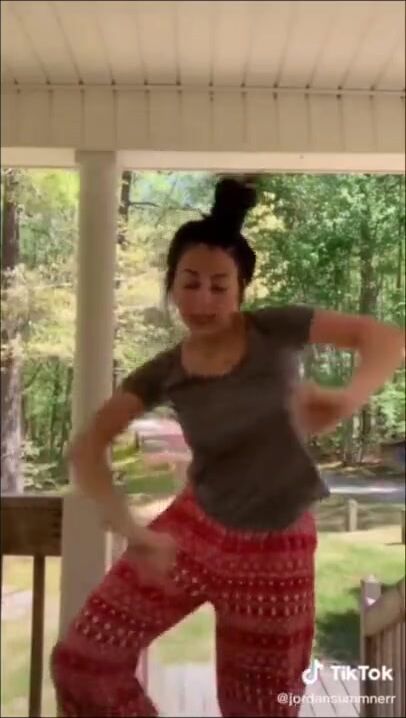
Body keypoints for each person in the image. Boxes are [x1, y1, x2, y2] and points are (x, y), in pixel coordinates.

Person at [51, 178, 404, 717]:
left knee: (258, 708)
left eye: (220, 286)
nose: (203, 300)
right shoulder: (164, 371)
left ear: (241, 290)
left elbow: (384, 338)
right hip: (192, 529)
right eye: (190, 283)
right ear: (171, 285)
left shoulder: (274, 328)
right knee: (83, 661)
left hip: (276, 546)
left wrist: (346, 399)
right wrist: (131, 530)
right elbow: (88, 446)